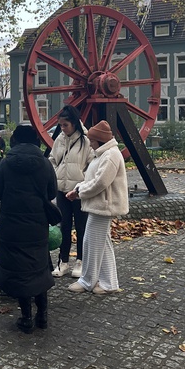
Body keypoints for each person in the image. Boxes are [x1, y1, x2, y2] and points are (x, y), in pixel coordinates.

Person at [0, 124, 57, 334]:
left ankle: (26, 317)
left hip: (12, 226)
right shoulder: (45, 164)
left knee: (20, 269)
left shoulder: (6, 163)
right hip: (37, 225)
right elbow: (52, 193)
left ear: (15, 141)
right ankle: (43, 315)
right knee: (39, 266)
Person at [66, 120, 129, 295]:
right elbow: (93, 179)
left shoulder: (110, 156)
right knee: (103, 244)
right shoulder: (104, 154)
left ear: (100, 140)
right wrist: (79, 189)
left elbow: (100, 182)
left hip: (104, 205)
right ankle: (109, 283)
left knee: (91, 243)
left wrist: (79, 192)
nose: (90, 144)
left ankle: (87, 281)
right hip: (101, 205)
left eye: (92, 141)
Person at [49, 106, 94, 278]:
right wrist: (56, 175)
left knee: (81, 227)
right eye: (60, 125)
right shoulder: (59, 139)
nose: (62, 128)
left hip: (79, 191)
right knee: (64, 226)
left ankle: (81, 261)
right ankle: (63, 261)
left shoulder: (86, 141)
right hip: (62, 190)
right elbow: (52, 159)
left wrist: (82, 184)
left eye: (65, 125)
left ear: (74, 123)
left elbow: (91, 164)